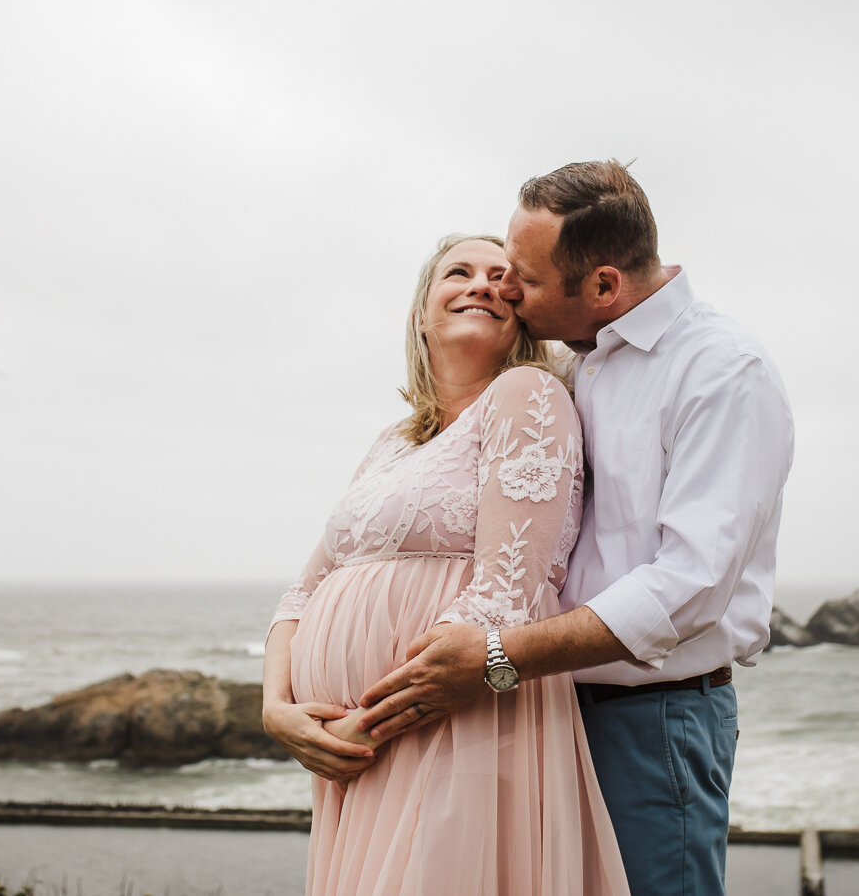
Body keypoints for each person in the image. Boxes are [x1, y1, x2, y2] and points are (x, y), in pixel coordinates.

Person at [355, 161, 795, 896]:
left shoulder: (721, 371)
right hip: (541, 709)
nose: (505, 290)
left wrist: (494, 657)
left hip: (649, 720)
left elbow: (687, 587)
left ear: (600, 286)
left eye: (521, 278)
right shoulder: (571, 364)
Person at [262, 233, 631, 896]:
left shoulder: (525, 395)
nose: (483, 284)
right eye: (458, 272)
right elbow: (302, 592)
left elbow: (503, 599)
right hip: (367, 750)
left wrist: (361, 727)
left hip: (458, 725)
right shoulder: (391, 441)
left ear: (520, 313)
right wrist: (275, 708)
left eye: (501, 277)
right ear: (421, 313)